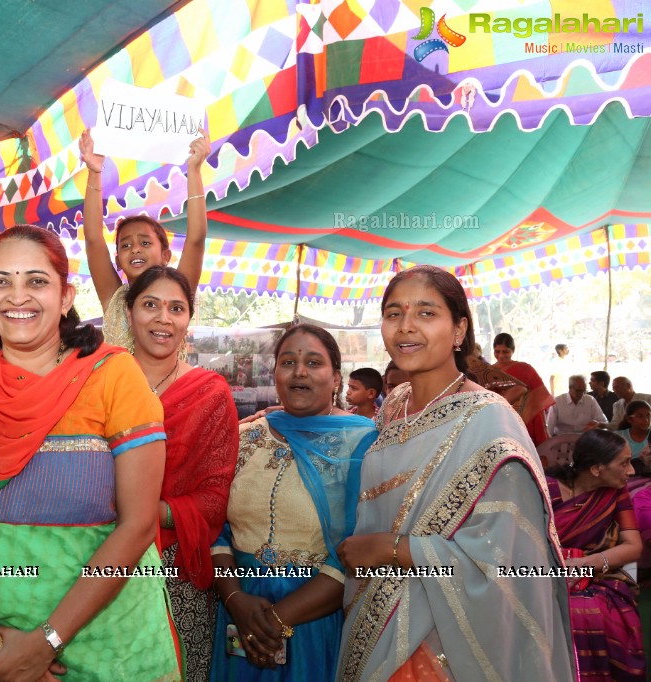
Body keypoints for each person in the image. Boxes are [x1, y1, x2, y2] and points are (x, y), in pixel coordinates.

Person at [0, 225, 182, 681]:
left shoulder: (113, 377)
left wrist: (46, 643)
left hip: (108, 649)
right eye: (1, 281)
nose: (17, 296)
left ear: (65, 297)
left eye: (36, 281)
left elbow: (138, 526)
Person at [336, 265, 575, 681]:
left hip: (443, 642)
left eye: (426, 313)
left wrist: (392, 550)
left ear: (459, 328)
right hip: (372, 619)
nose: (406, 327)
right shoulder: (394, 405)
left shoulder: (490, 420)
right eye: (394, 314)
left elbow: (509, 560)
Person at [210, 324, 377, 681]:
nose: (299, 371)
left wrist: (278, 619)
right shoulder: (243, 437)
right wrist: (235, 598)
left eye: (314, 362)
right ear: (276, 375)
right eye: (288, 361)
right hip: (241, 613)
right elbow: (217, 531)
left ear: (336, 379)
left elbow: (356, 546)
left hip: (312, 616)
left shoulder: (362, 443)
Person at [125, 266, 239, 682]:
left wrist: (147, 514)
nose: (163, 318)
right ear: (129, 311)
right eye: (150, 305)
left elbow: (215, 498)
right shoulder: (98, 382)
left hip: (176, 570)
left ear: (188, 318)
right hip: (96, 557)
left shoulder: (210, 393)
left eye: (176, 308)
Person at [80, 127, 210, 350]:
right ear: (118, 259)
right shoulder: (114, 298)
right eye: (126, 245)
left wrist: (195, 171)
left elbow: (196, 239)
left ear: (165, 255)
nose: (135, 249)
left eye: (145, 242)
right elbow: (93, 239)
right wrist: (95, 172)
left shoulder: (178, 291)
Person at [547, 429, 644, 681]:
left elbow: (633, 546)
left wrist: (585, 564)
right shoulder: (546, 489)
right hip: (542, 571)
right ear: (596, 469)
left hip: (596, 573)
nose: (632, 471)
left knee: (596, 611)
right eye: (624, 463)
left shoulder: (615, 491)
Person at [492, 331, 555, 446]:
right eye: (497, 351)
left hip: (525, 420)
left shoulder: (525, 369)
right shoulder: (489, 372)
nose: (501, 355)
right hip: (499, 420)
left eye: (505, 351)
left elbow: (539, 397)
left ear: (513, 350)